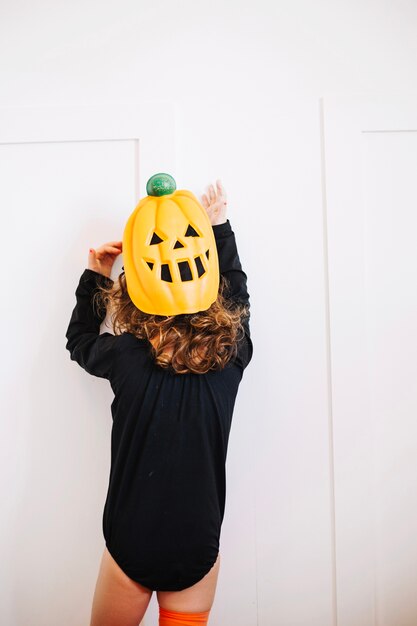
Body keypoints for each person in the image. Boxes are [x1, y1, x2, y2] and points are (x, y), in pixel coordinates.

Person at [65, 179, 253, 626]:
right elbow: (239, 299)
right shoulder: (231, 354)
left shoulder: (126, 356)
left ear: (138, 290)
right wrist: (218, 230)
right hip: (196, 549)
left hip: (131, 543)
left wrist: (96, 274)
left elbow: (79, 341)